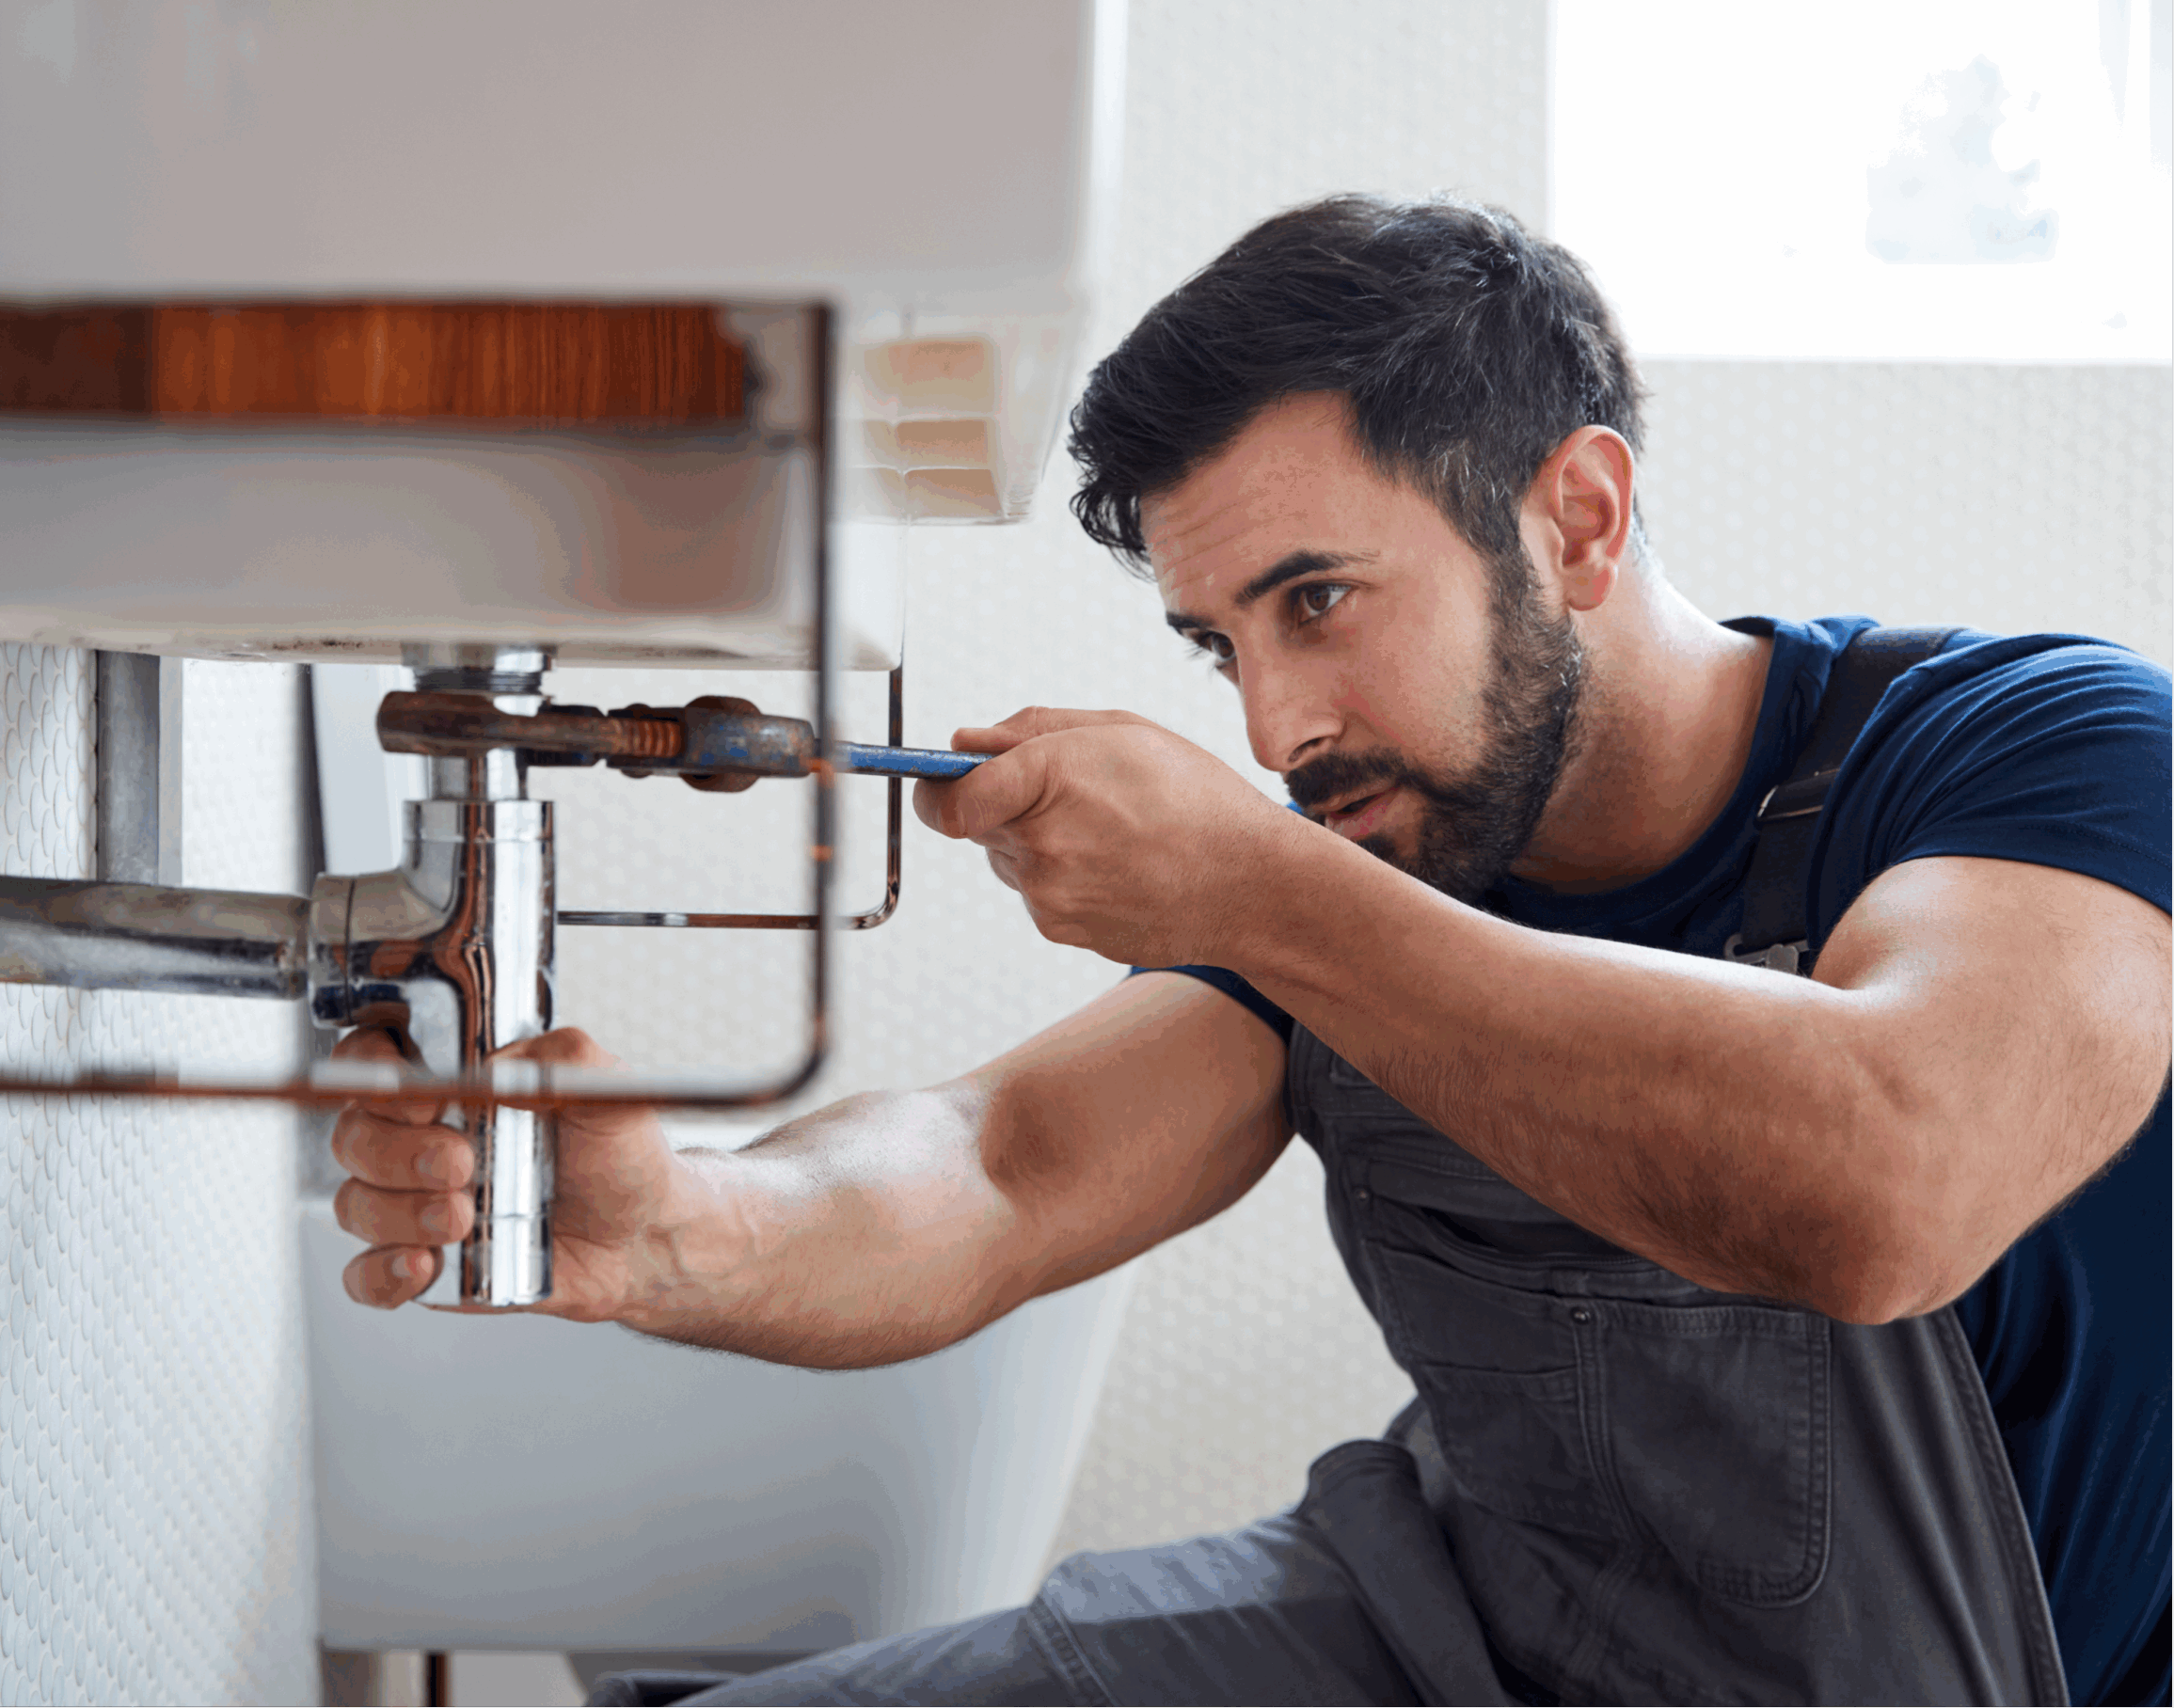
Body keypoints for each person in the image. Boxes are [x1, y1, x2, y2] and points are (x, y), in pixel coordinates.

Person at [326, 198, 2171, 1706]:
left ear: (1576, 516)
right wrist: (677, 1224)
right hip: (1416, 1625)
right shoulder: (1374, 849)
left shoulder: (2043, 749)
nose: (1282, 726)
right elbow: (998, 1161)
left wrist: (1262, 892)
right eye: (1219, 643)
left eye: (1316, 600)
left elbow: (1884, 1173)